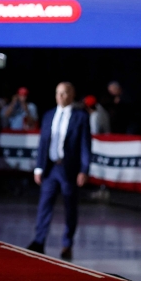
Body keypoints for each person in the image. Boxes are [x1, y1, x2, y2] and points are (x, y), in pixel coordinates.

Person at [27, 82, 90, 261]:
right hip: (50, 168)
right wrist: (39, 167)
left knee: (70, 207)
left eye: (64, 93)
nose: (60, 97)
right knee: (44, 205)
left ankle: (67, 244)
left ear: (72, 95)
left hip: (69, 169)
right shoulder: (48, 115)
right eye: (58, 93)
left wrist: (84, 169)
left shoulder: (80, 117)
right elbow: (43, 143)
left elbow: (85, 146)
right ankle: (39, 241)